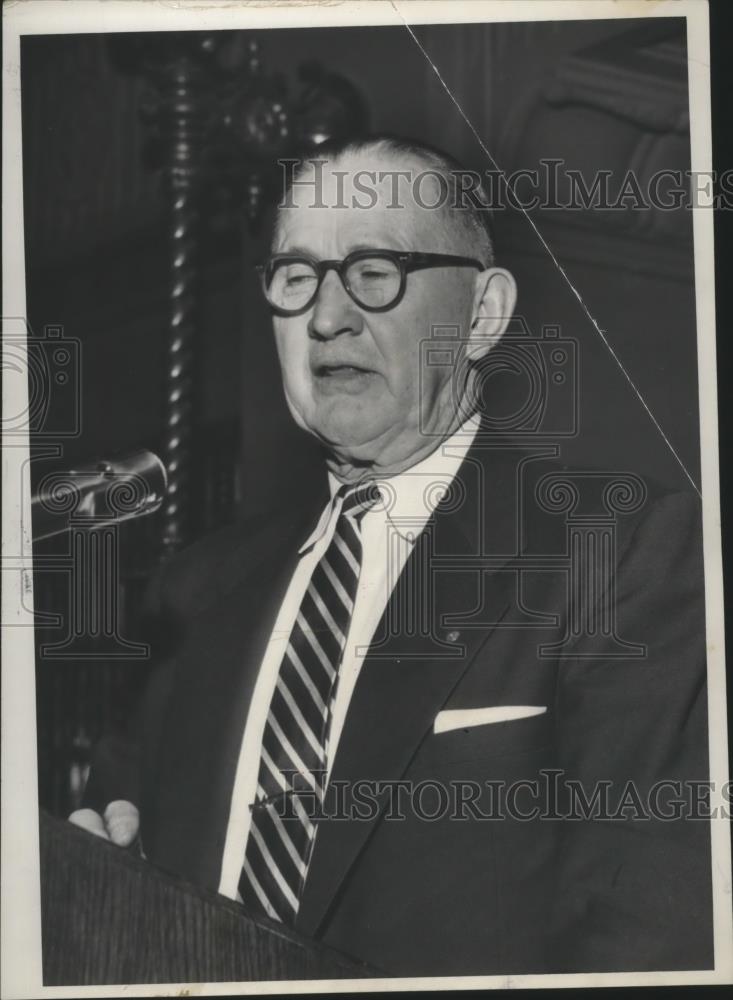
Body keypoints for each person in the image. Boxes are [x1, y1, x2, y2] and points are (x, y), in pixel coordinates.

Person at [70, 136, 712, 977]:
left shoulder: (621, 550)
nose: (326, 316)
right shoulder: (196, 587)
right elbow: (118, 826)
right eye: (295, 277)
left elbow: (644, 935)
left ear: (482, 315)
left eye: (374, 270)